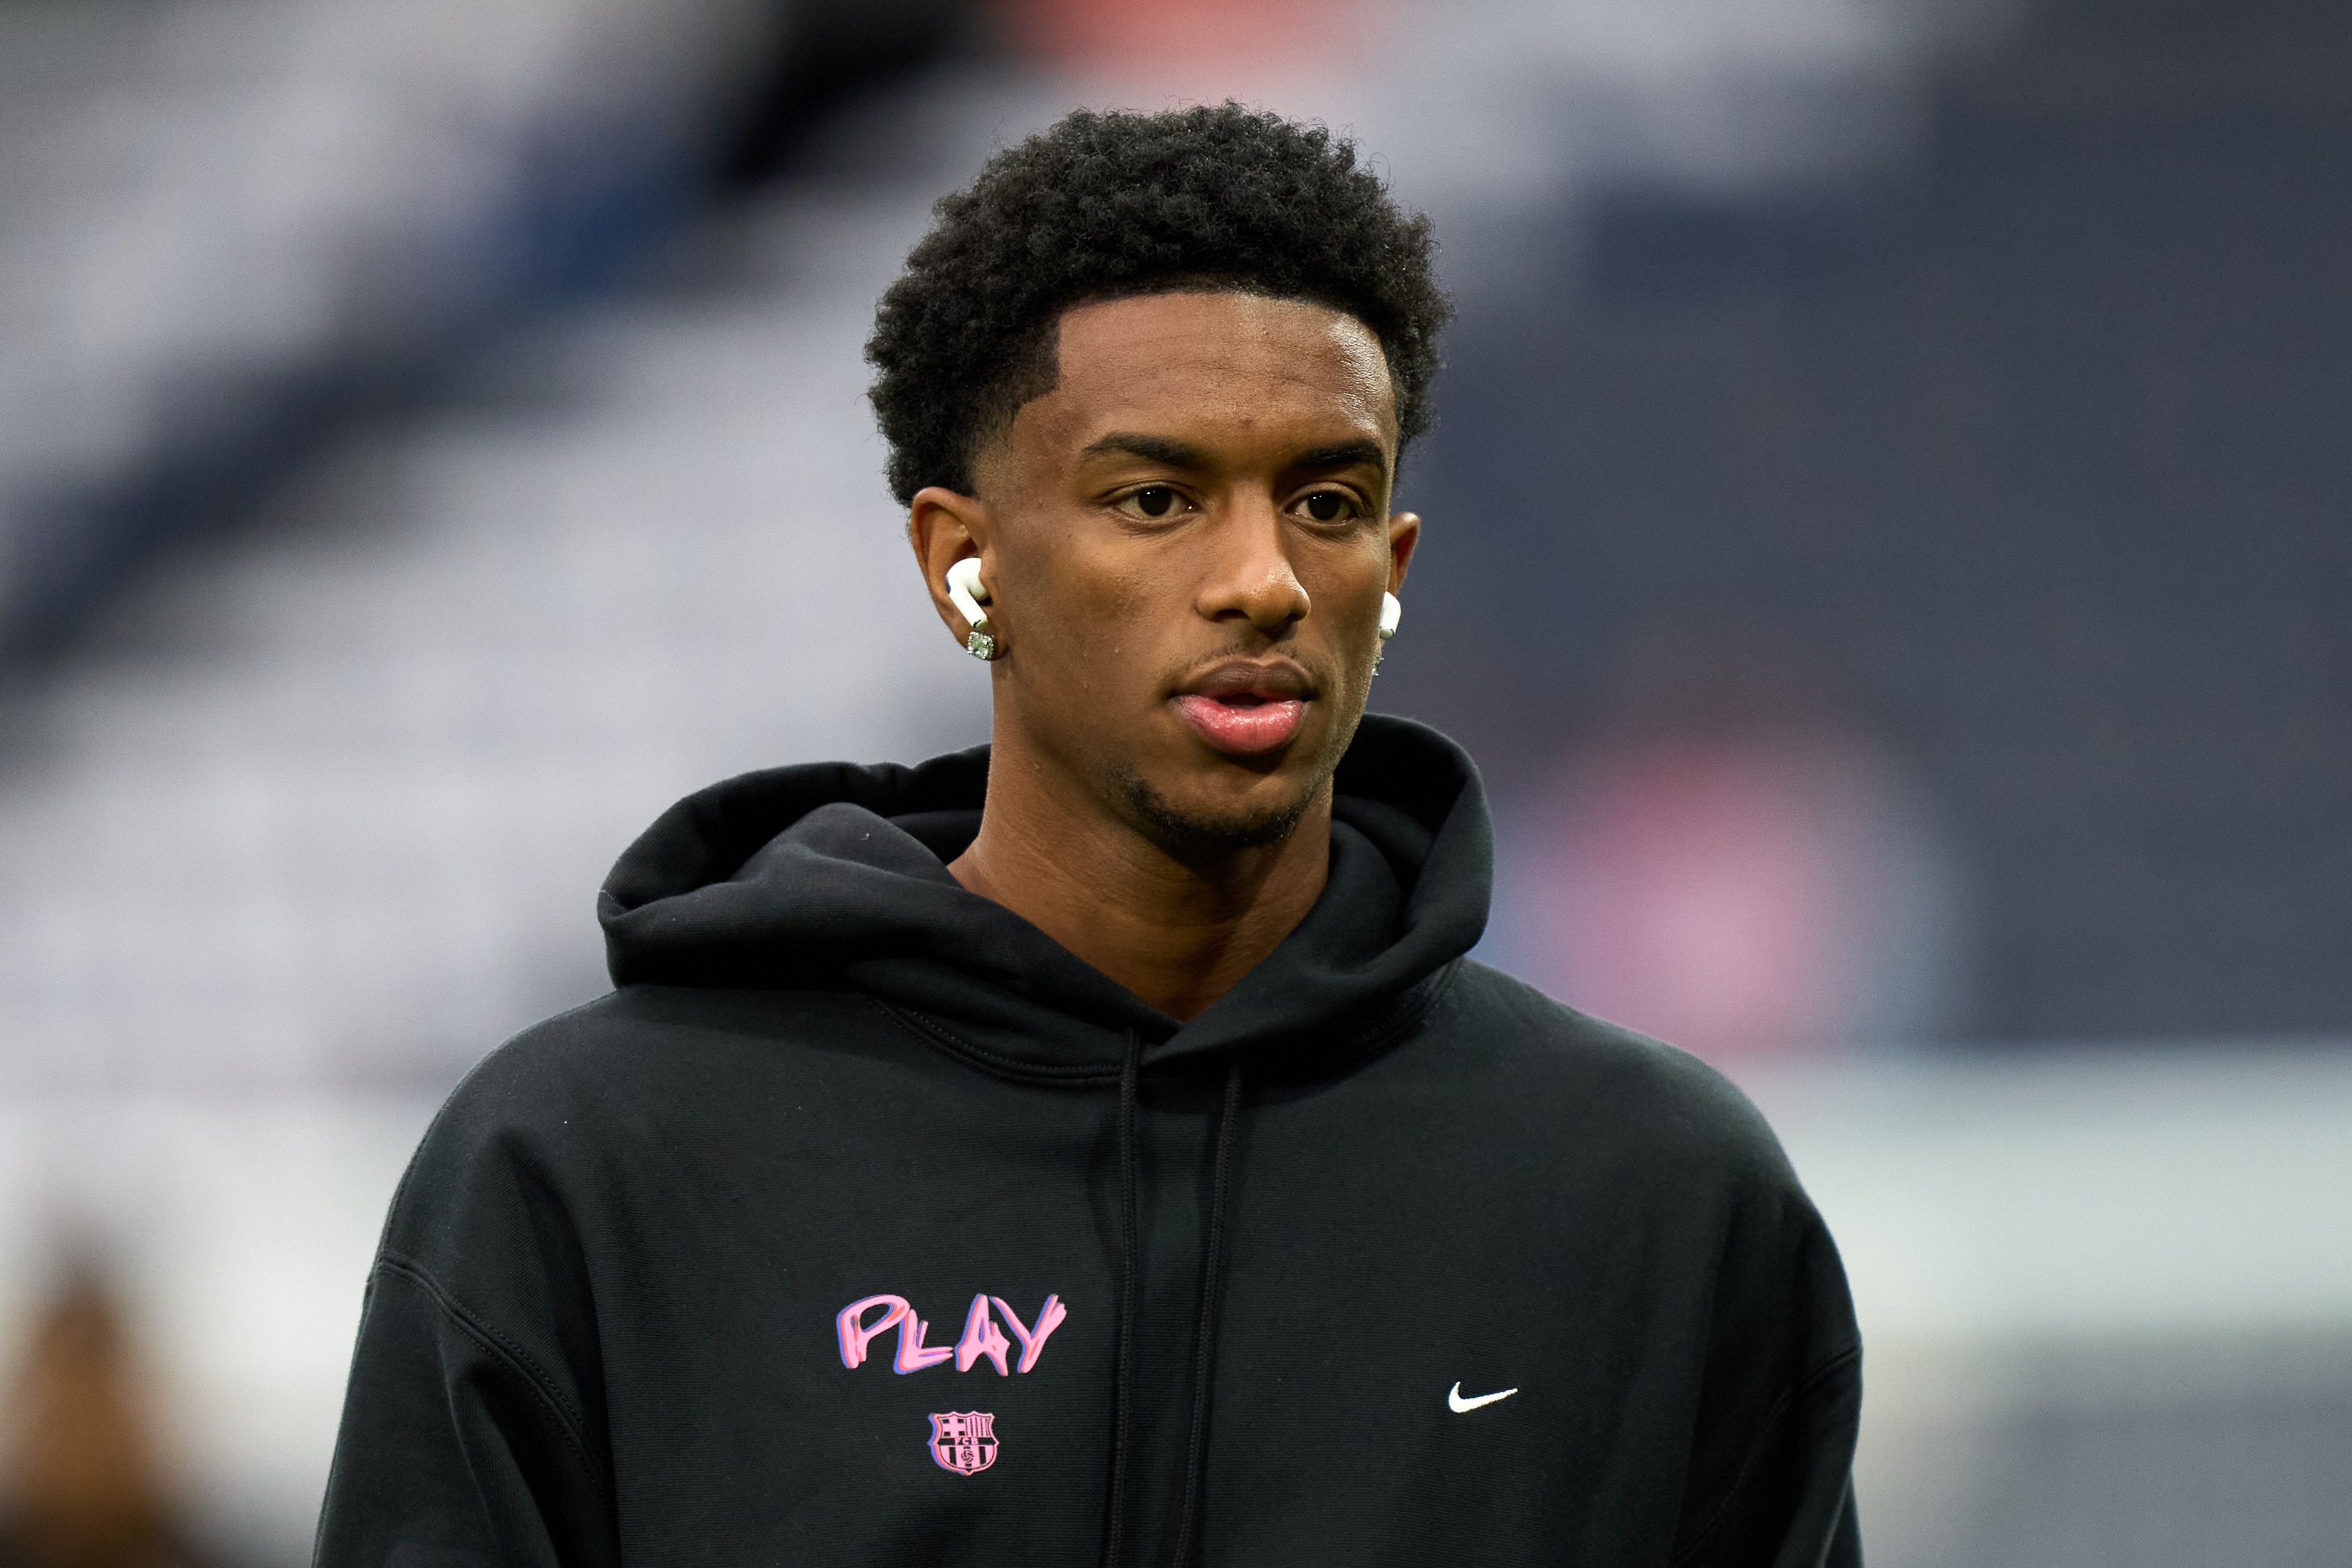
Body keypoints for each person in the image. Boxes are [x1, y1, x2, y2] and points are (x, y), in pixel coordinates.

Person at [315, 105, 1861, 1567]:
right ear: (963, 565)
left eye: (1324, 502)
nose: (1261, 577)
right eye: (1154, 499)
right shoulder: (589, 1169)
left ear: (1389, 566)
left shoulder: (1653, 1195)